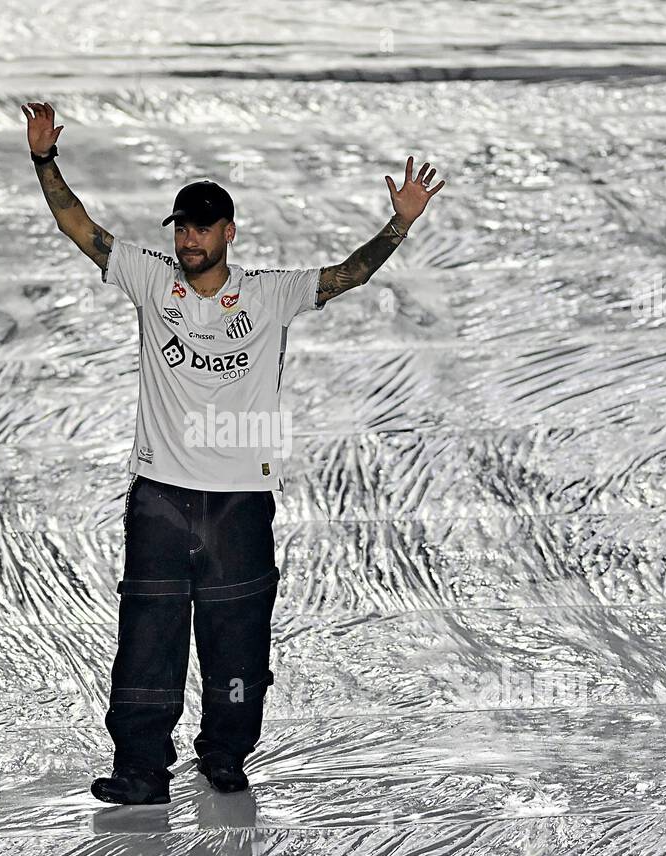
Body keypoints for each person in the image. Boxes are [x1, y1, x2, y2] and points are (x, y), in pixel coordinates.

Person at [22, 101, 445, 804]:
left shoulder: (270, 293)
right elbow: (80, 228)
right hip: (158, 489)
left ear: (228, 232)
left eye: (201, 228)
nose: (188, 239)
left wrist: (400, 222)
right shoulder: (151, 277)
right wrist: (45, 160)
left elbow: (349, 274)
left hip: (240, 492)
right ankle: (139, 769)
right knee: (148, 633)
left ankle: (225, 754)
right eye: (182, 227)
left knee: (236, 635)